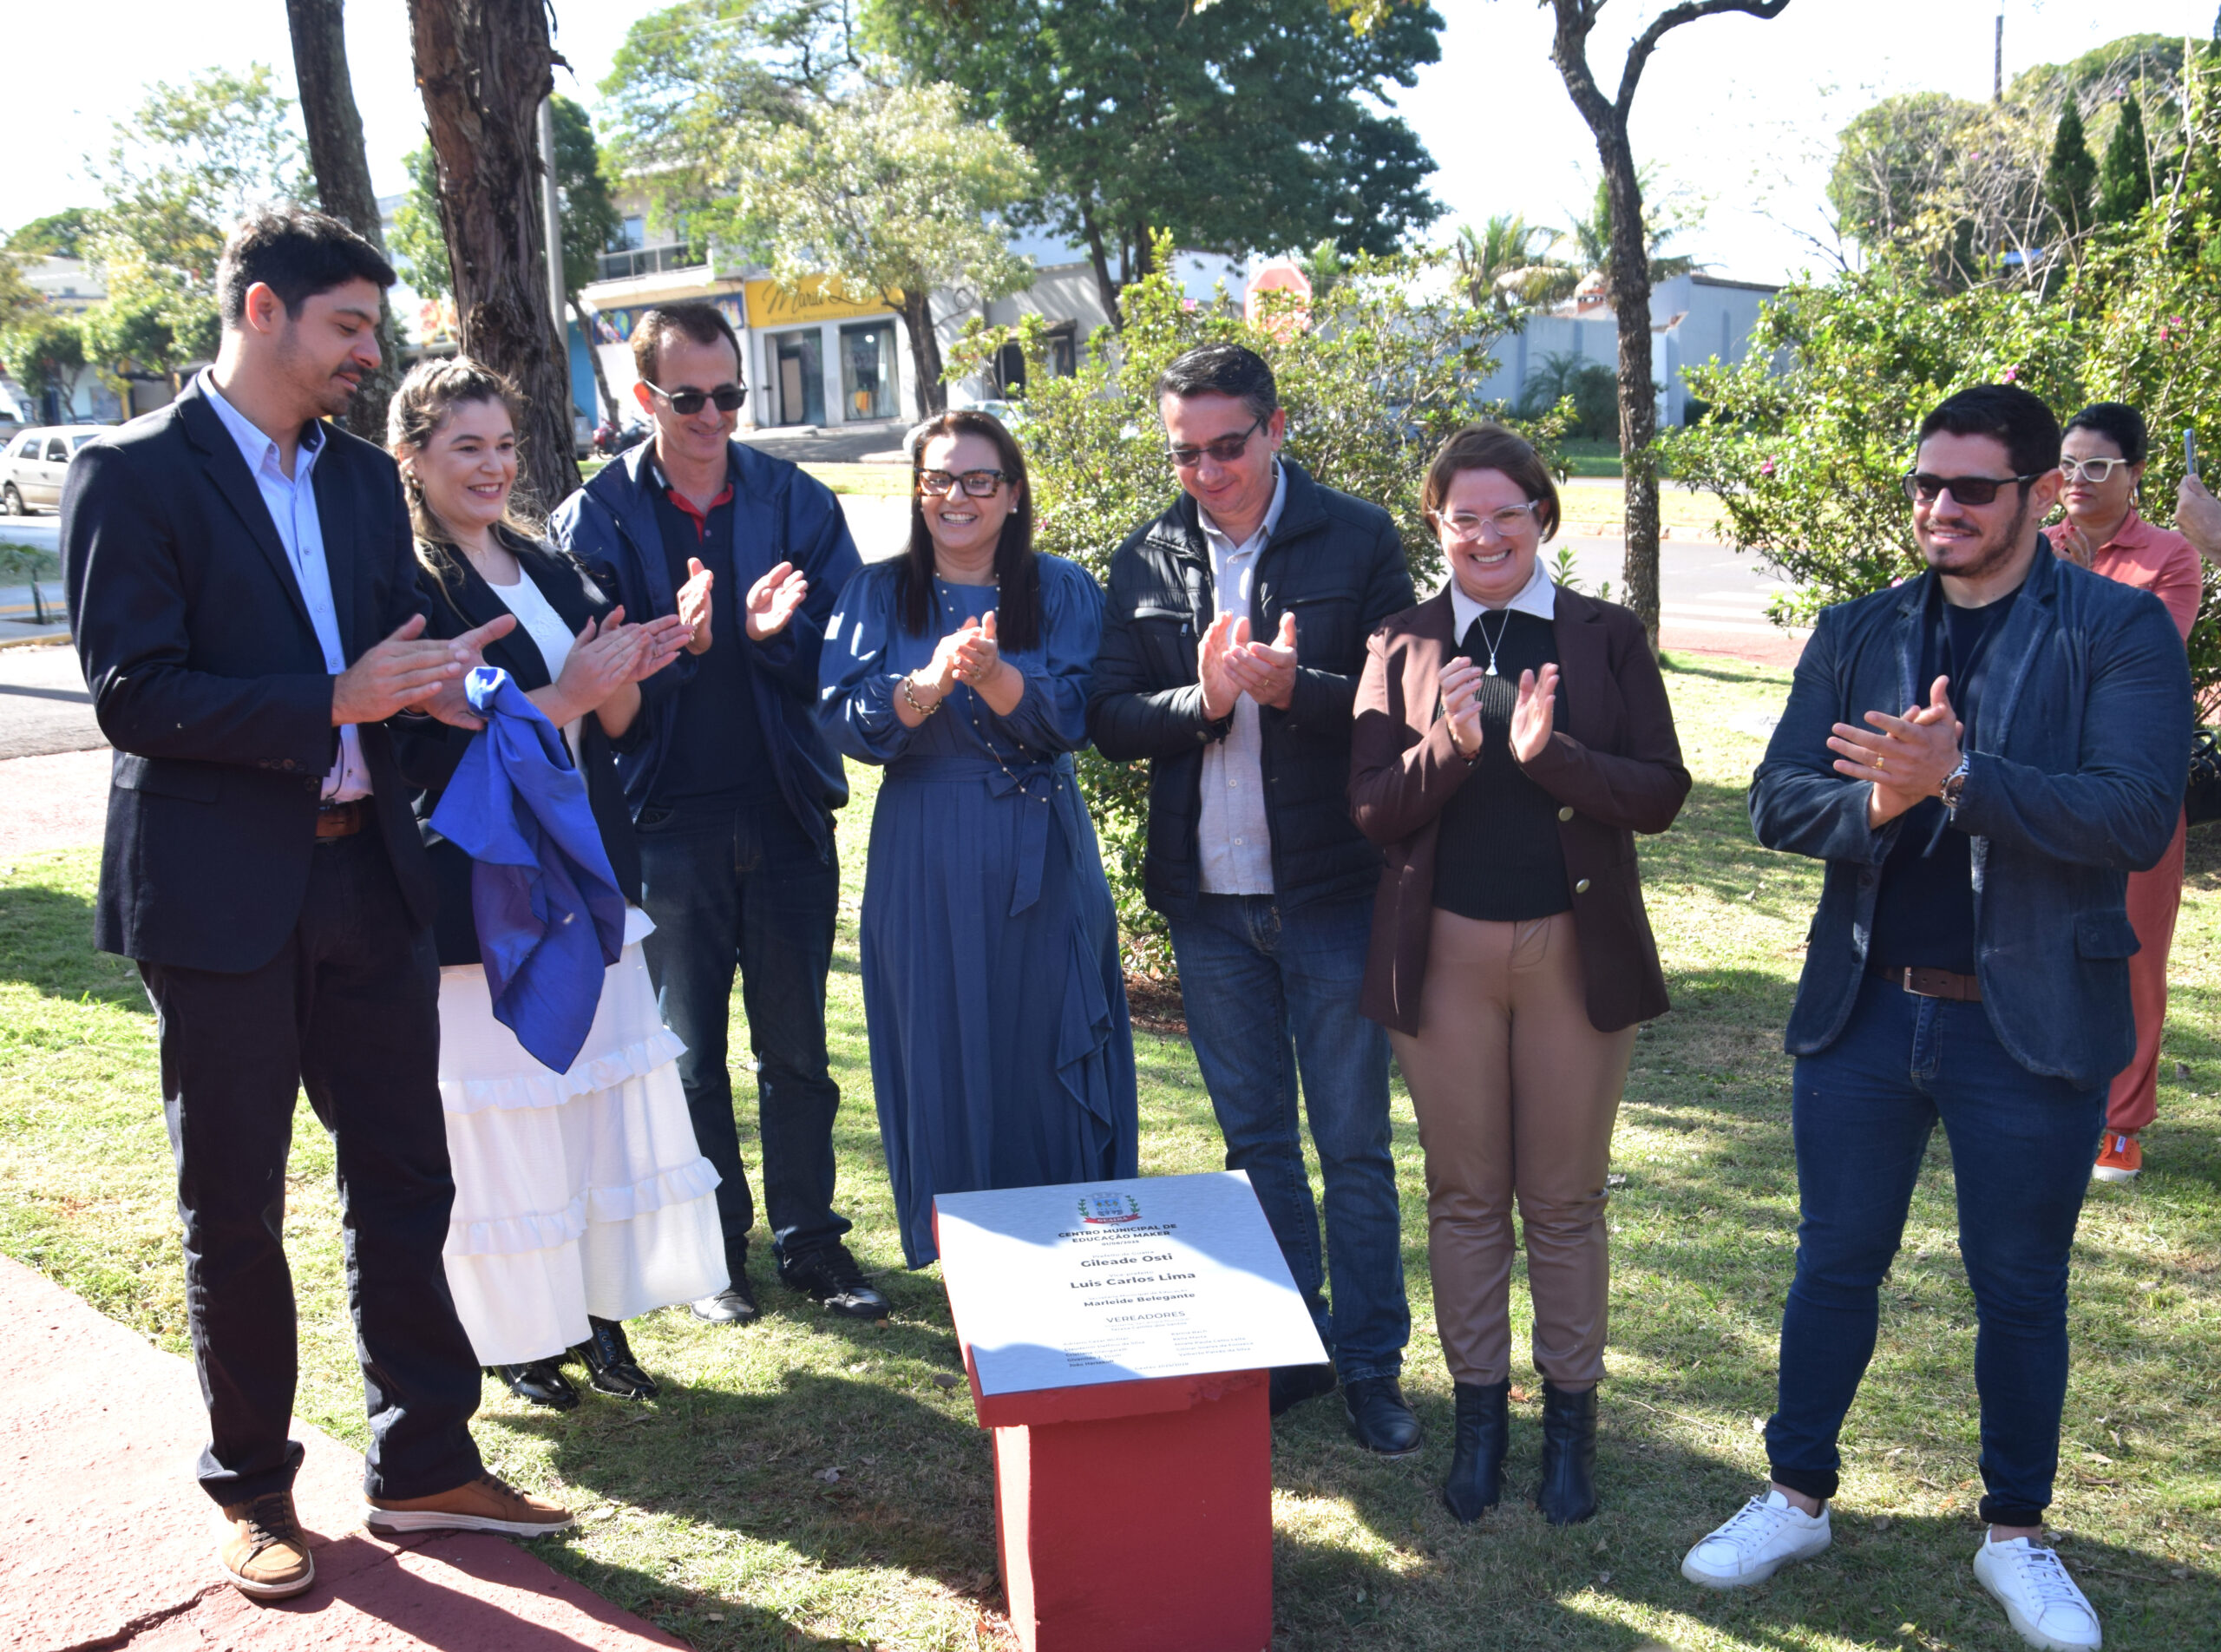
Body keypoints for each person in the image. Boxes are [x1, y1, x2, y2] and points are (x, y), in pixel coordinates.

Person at [62, 208, 572, 1605]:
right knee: (234, 1203)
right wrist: (327, 701)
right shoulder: (131, 473)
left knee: (405, 1176)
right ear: (264, 309)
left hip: (372, 875)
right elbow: (132, 694)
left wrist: (460, 691)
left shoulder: (358, 483)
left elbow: (390, 655)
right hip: (219, 899)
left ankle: (424, 1466)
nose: (368, 353)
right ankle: (255, 1492)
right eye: (349, 326)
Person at [1681, 386, 2188, 1652]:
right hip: (1863, 1015)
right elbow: (1776, 803)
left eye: (1970, 489)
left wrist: (1958, 776)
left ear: (2036, 498)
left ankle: (2017, 1533)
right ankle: (1795, 1494)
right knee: (1833, 1260)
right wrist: (1887, 805)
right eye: (1924, 486)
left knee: (2019, 1289)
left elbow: (2133, 814)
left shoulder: (2117, 630)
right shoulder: (1861, 630)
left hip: (2031, 1025)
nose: (1940, 508)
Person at [1348, 424, 1689, 1525]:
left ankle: (1570, 1427)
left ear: (1542, 514)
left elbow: (1660, 791)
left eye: (1505, 512)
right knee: (1462, 1196)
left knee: (1564, 1199)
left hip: (1570, 951)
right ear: (1436, 526)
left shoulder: (1602, 636)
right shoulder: (1401, 639)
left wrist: (1553, 759)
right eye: (1462, 517)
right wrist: (1447, 745)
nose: (1484, 534)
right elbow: (1370, 809)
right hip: (1442, 950)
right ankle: (1480, 1419)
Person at [1086, 343, 1419, 1453]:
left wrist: (1297, 689)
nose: (1207, 471)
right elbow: (1109, 716)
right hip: (1208, 901)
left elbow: (1402, 699)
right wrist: (1205, 698)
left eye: (1228, 446)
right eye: (1185, 453)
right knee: (1255, 1143)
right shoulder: (1144, 555)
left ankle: (1373, 1363)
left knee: (1353, 1143)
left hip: (1329, 887)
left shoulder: (1357, 537)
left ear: (1275, 428)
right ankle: (1291, 1346)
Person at [388, 357, 727, 1410]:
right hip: (483, 881)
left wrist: (640, 664)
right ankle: (517, 1338)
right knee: (507, 1117)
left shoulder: (543, 560)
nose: (493, 467)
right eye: (465, 448)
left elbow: (609, 722)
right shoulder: (404, 583)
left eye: (503, 446)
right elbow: (436, 737)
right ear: (413, 459)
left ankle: (597, 1317)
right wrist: (570, 689)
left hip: (585, 867)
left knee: (587, 1105)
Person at [550, 303, 888, 1324]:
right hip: (663, 822)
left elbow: (841, 655)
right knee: (688, 1054)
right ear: (644, 397)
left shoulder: (795, 501)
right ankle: (711, 1251)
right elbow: (594, 688)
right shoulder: (597, 518)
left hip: (785, 809)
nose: (712, 415)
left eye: (729, 393)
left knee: (795, 1052)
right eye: (688, 396)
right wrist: (685, 655)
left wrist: (767, 640)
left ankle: (811, 1243)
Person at [820, 410, 1136, 1265]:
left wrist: (995, 675)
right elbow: (846, 722)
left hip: (1043, 844)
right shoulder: (879, 592)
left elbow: (1074, 713)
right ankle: (977, 1265)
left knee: (1048, 1045)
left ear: (1013, 491)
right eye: (937, 479)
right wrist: (924, 684)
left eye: (977, 479)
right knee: (943, 1044)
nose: (956, 496)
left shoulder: (1062, 588)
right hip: (927, 846)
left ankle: (1079, 1252)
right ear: (917, 491)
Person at [2044, 402, 2204, 1183]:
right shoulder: (2034, 550)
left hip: (2135, 783)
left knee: (2134, 949)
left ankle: (2121, 1124)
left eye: (2098, 466)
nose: (2078, 480)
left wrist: (2075, 596)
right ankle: (2040, 1090)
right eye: (2068, 464)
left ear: (2136, 474)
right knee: (2033, 933)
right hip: (2042, 778)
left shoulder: (2171, 556)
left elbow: (2143, 661)